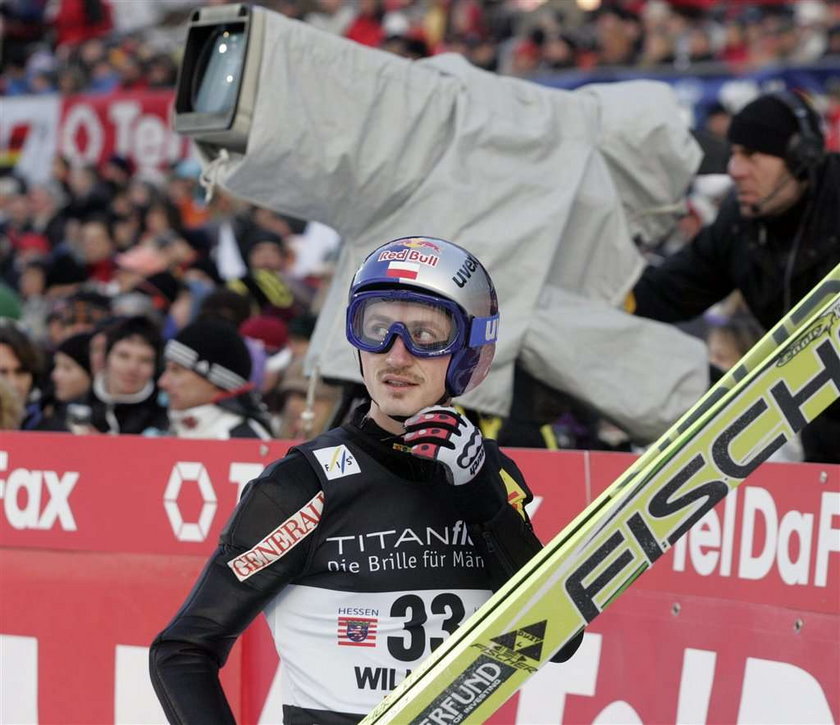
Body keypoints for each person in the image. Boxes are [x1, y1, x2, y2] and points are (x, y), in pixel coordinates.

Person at [150, 236, 582, 724]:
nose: (395, 356)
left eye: (425, 335)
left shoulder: (490, 473)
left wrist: (481, 493)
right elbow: (182, 651)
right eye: (376, 329)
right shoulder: (302, 484)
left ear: (468, 350)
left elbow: (558, 640)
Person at [629, 90, 840, 464]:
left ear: (800, 158)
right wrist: (607, 300)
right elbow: (666, 293)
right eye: (734, 153)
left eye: (752, 155)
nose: (735, 169)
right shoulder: (740, 224)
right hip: (822, 434)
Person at [158, 319, 273, 439]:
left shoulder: (245, 439)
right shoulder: (167, 426)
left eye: (176, 371)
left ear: (215, 380)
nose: (163, 382)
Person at [77, 315, 167, 435]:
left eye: (145, 360)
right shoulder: (77, 407)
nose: (132, 368)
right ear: (107, 358)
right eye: (123, 356)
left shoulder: (165, 419)